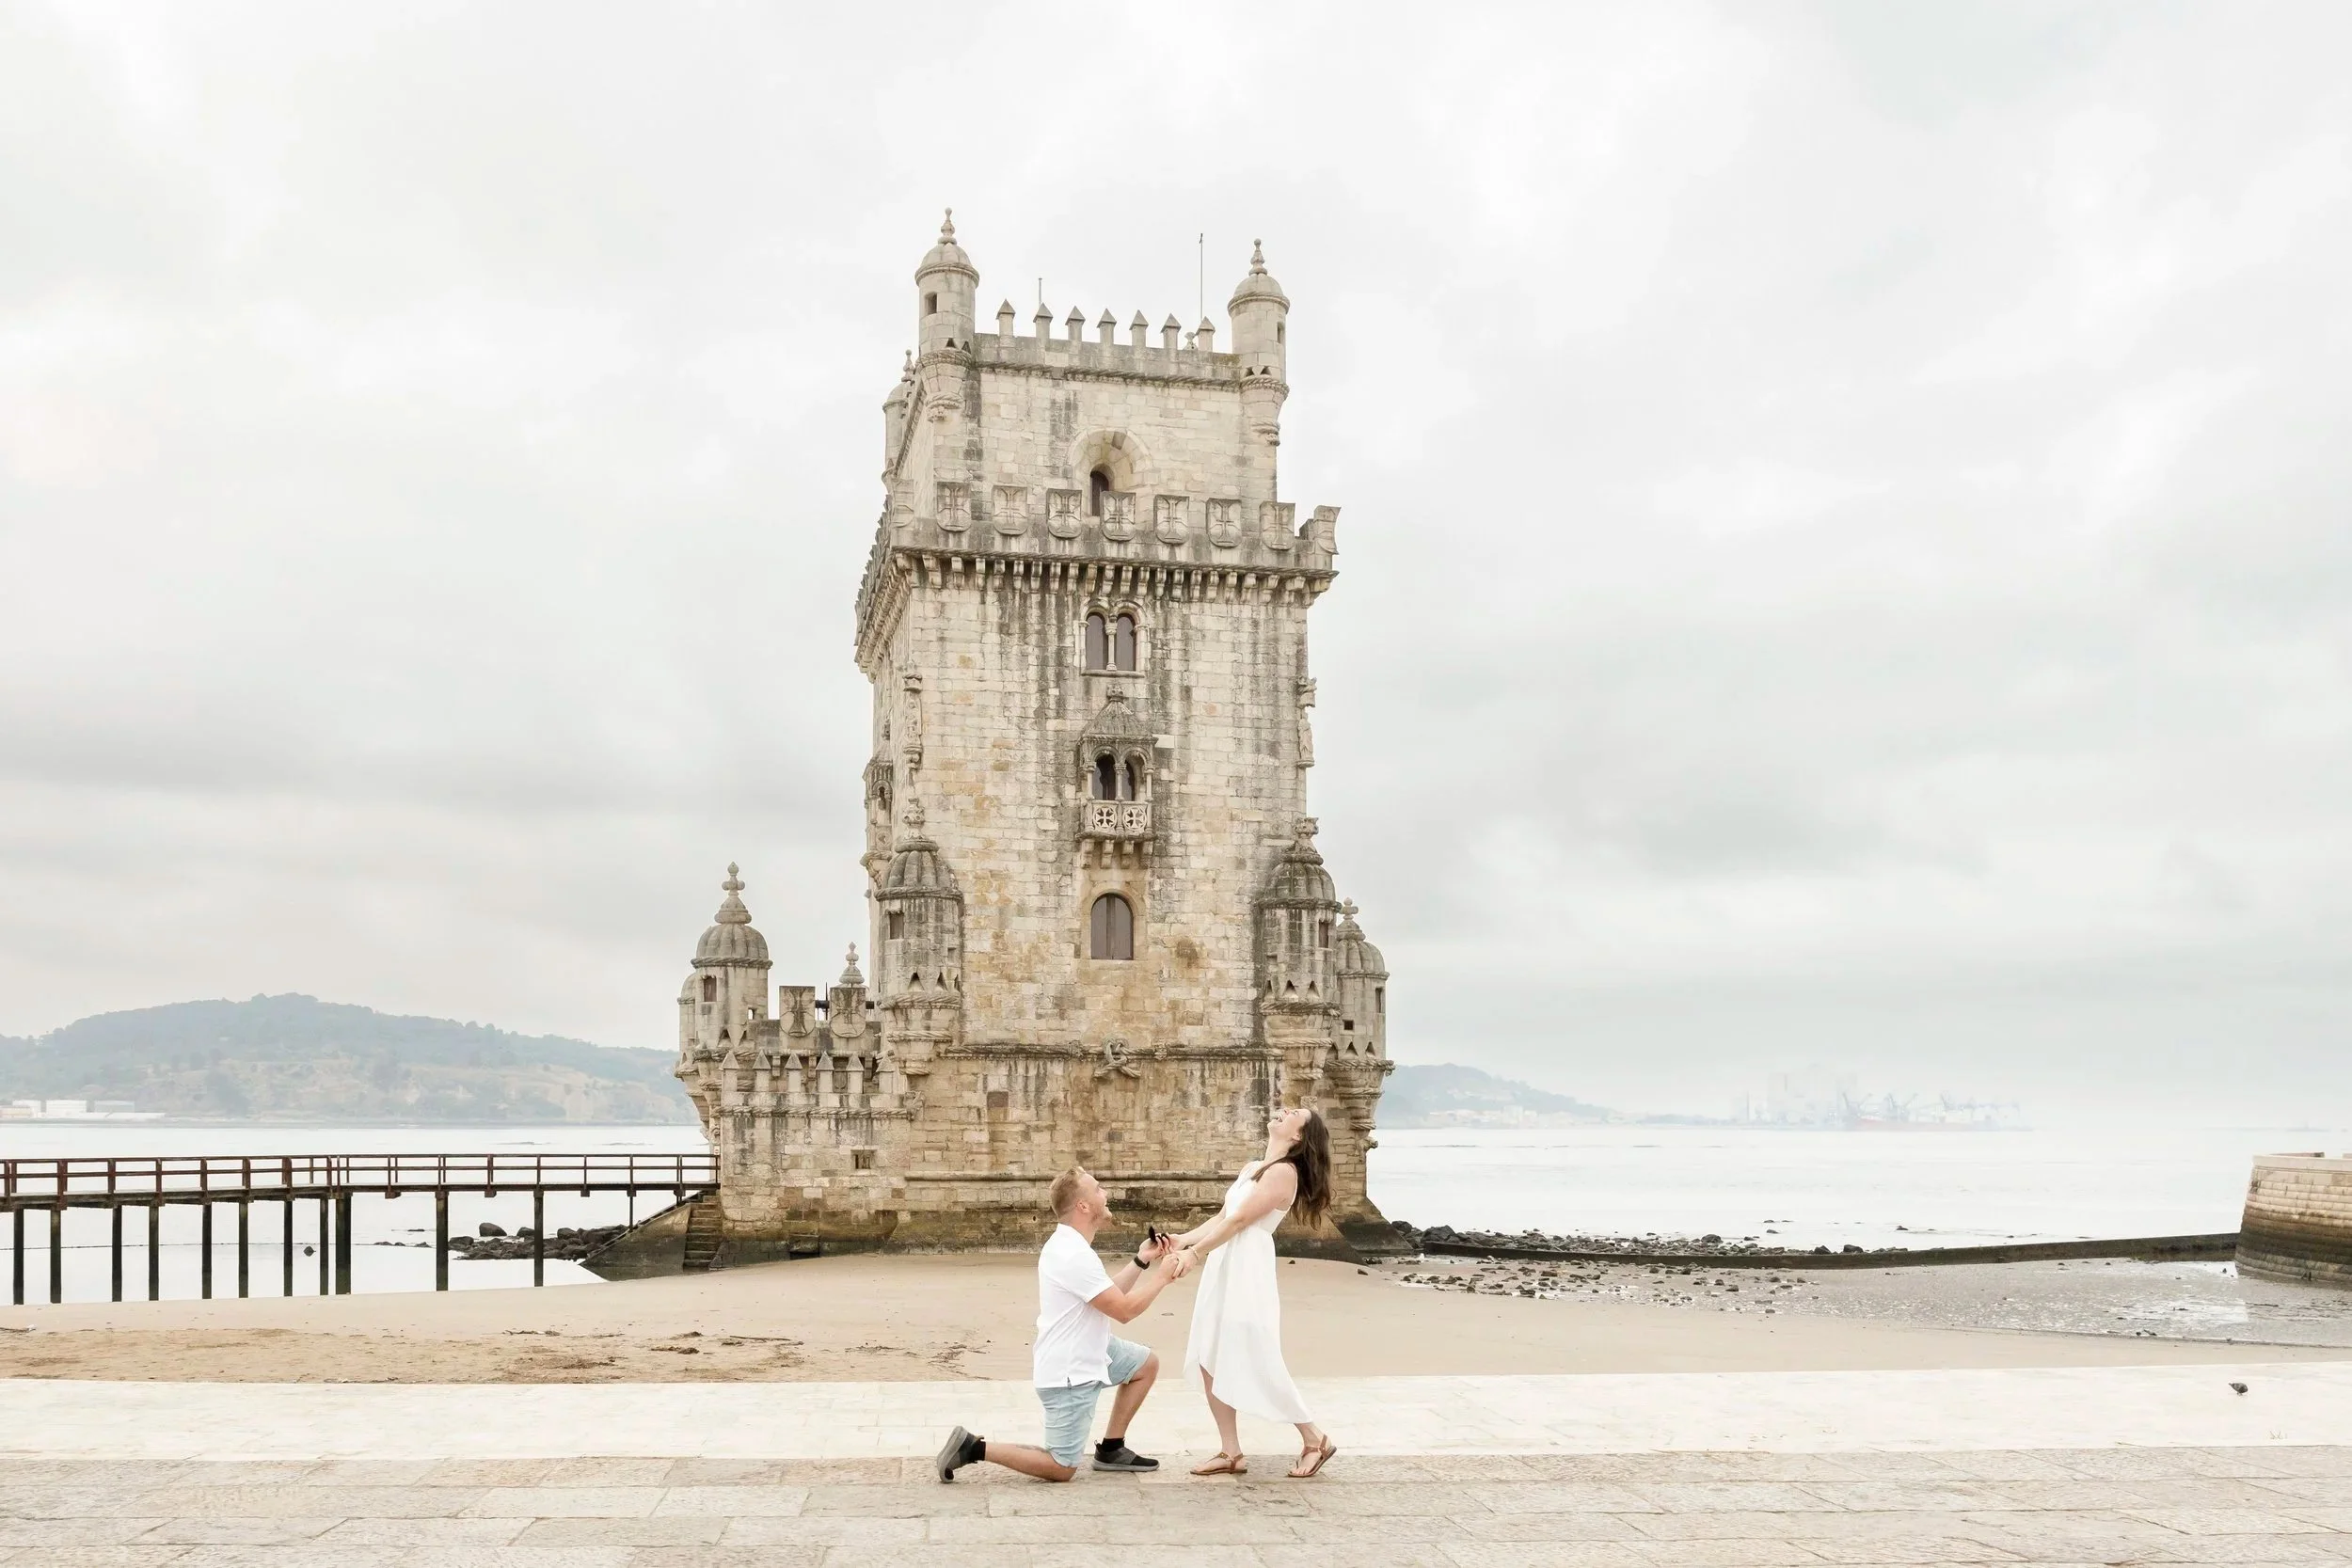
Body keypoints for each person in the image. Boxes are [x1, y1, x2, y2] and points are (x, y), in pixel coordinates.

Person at [936, 1165, 1189, 1482]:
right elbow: (1123, 1311)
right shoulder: (1073, 1255)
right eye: (1097, 1189)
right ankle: (973, 1447)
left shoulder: (1070, 1246)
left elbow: (1105, 1295)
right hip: (1070, 1371)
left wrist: (1141, 1261)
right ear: (1083, 1206)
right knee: (1061, 1466)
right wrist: (1163, 1278)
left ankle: (1111, 1449)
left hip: (1091, 1350)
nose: (1106, 1193)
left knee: (1144, 1365)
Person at [1170, 1104, 1339, 1479]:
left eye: (1296, 1113)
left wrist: (1195, 1253)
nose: (1284, 1110)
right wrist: (1183, 1239)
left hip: (1247, 1269)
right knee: (1208, 1354)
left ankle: (1314, 1438)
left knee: (1256, 1355)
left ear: (1298, 1136)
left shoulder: (1283, 1173)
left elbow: (1243, 1221)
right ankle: (1231, 1452)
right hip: (1226, 1265)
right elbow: (1224, 1217)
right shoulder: (1253, 1169)